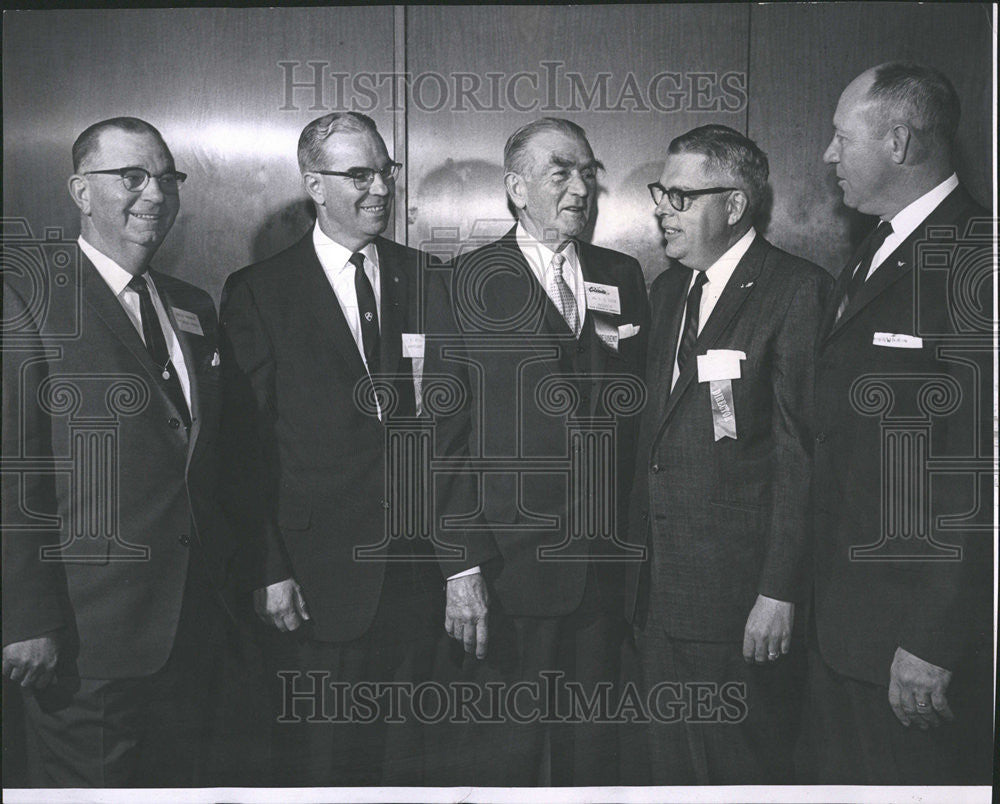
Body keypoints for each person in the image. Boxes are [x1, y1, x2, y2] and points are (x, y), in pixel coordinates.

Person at [1, 117, 236, 787]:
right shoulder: (28, 296)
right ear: (81, 190)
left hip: (191, 631)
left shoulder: (192, 305)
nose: (154, 194)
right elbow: (13, 470)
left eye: (166, 178)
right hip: (83, 640)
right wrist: (24, 619)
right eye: (131, 176)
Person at [425, 117, 650, 786]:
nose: (581, 188)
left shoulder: (621, 274)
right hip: (506, 574)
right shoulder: (461, 282)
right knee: (504, 762)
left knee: (593, 764)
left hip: (605, 572)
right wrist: (460, 569)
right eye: (562, 173)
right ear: (516, 188)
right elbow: (443, 438)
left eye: (589, 173)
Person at [219, 111, 439, 786]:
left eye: (385, 171)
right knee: (324, 770)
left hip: (416, 575)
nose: (380, 188)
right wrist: (267, 569)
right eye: (359, 174)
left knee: (410, 768)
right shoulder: (260, 291)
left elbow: (451, 431)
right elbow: (241, 451)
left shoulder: (429, 277)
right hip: (315, 581)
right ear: (314, 184)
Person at [623, 124, 831, 784]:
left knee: (735, 777)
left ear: (734, 204)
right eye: (662, 192)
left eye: (679, 195)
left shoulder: (796, 291)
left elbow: (802, 457)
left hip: (737, 603)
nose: (661, 207)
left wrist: (777, 592)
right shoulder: (665, 292)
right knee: (666, 775)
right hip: (656, 600)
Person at [804, 62, 993, 784]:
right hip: (844, 634)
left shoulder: (979, 255)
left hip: (911, 650)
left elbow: (977, 474)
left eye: (839, 137)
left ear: (900, 141)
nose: (828, 156)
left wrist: (932, 640)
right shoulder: (872, 252)